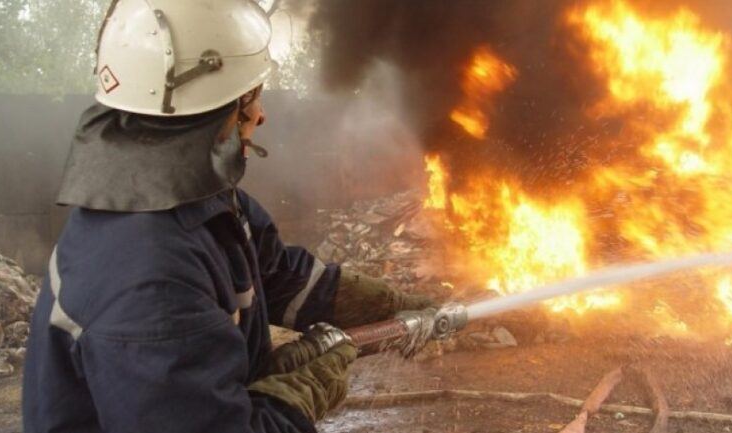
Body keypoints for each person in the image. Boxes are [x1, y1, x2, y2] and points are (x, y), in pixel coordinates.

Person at [22, 1, 434, 432]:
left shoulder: (191, 198)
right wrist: (295, 397)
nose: (260, 114)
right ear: (209, 114)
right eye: (248, 98)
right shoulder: (149, 285)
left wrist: (388, 306)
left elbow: (276, 275)